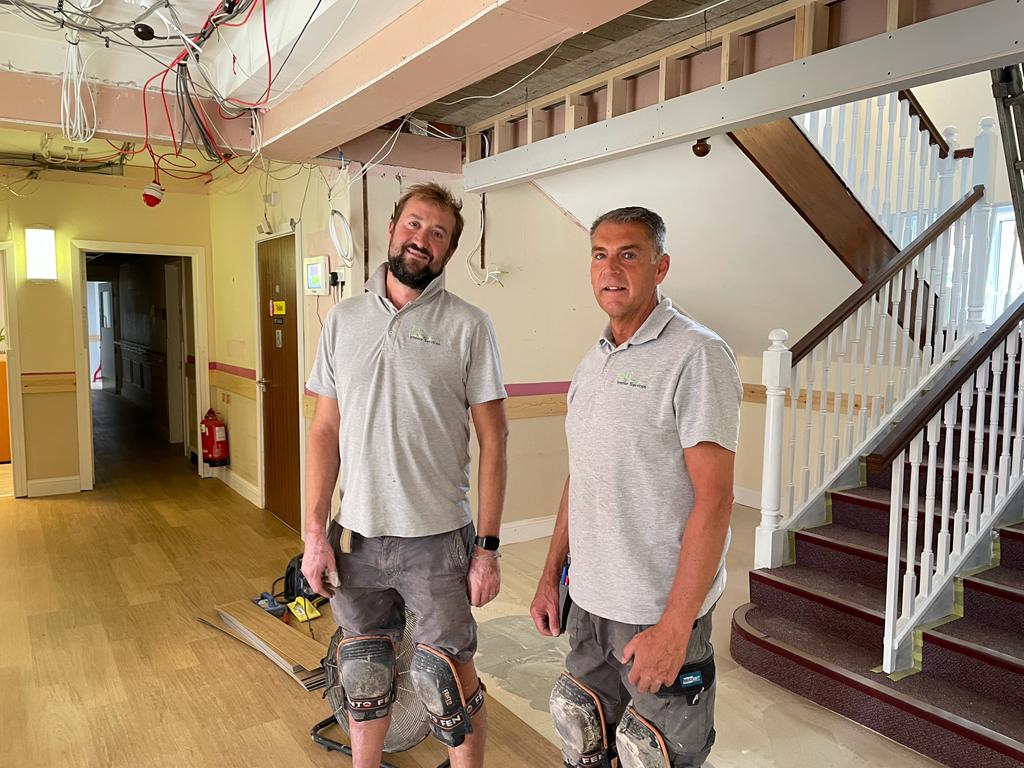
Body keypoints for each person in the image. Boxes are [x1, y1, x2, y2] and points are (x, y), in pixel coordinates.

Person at [302, 182, 509, 768]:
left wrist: (487, 548)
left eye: (438, 234)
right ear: (393, 227)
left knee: (448, 679)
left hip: (438, 539)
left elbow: (495, 439)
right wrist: (314, 532)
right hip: (355, 537)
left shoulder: (469, 325)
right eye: (415, 225)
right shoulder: (343, 320)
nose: (422, 239)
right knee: (364, 670)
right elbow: (323, 431)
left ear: (446, 253)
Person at [530, 207, 741, 768]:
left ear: (660, 266)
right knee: (587, 743)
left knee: (658, 756)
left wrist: (675, 629)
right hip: (589, 608)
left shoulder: (696, 354)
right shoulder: (592, 362)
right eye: (600, 254)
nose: (611, 268)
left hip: (656, 612)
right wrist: (552, 576)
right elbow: (584, 476)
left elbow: (715, 501)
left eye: (629, 254)